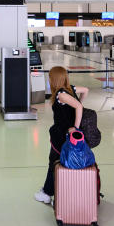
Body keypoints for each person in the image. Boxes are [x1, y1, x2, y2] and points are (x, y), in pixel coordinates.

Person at [34, 66, 88, 205]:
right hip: (68, 135)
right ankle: (61, 193)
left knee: (54, 161)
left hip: (62, 135)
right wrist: (77, 105)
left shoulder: (61, 95)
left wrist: (75, 127)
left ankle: (47, 193)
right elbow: (86, 90)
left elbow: (79, 107)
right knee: (65, 162)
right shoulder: (70, 88)